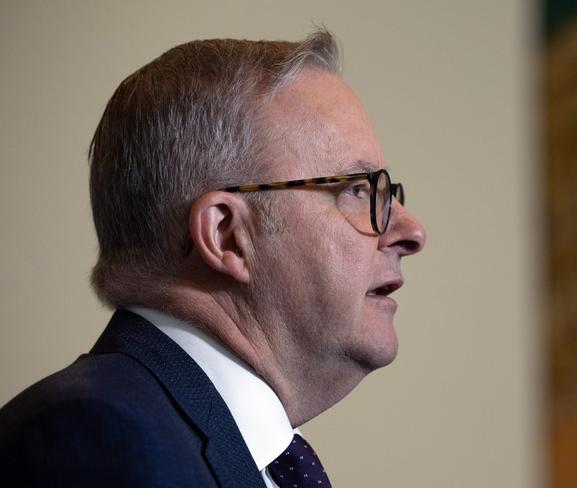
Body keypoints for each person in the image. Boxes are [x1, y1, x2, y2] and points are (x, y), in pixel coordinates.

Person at [0, 29, 425, 487]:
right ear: (227, 235)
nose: (410, 232)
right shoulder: (95, 438)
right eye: (359, 191)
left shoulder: (253, 456)